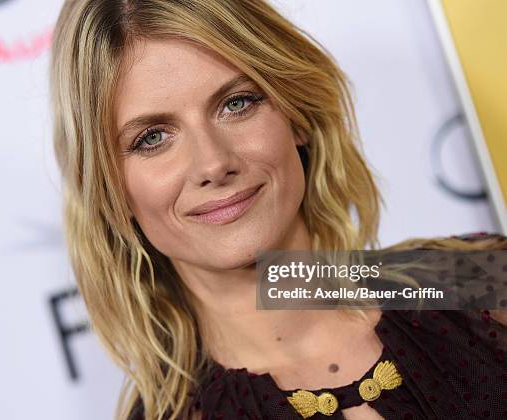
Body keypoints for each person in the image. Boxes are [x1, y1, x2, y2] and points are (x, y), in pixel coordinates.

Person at [49, 1, 506, 419]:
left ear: (296, 116)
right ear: (111, 190)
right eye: (152, 138)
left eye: (237, 103)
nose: (213, 163)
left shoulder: (479, 279)